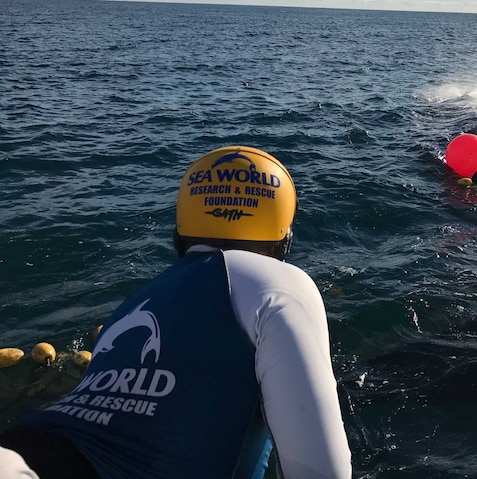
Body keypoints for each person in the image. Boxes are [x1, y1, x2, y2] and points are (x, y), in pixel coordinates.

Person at [0, 146, 352, 479]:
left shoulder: (135, 303)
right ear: (284, 239)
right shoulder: (279, 282)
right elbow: (322, 472)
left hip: (24, 446)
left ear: (180, 231)